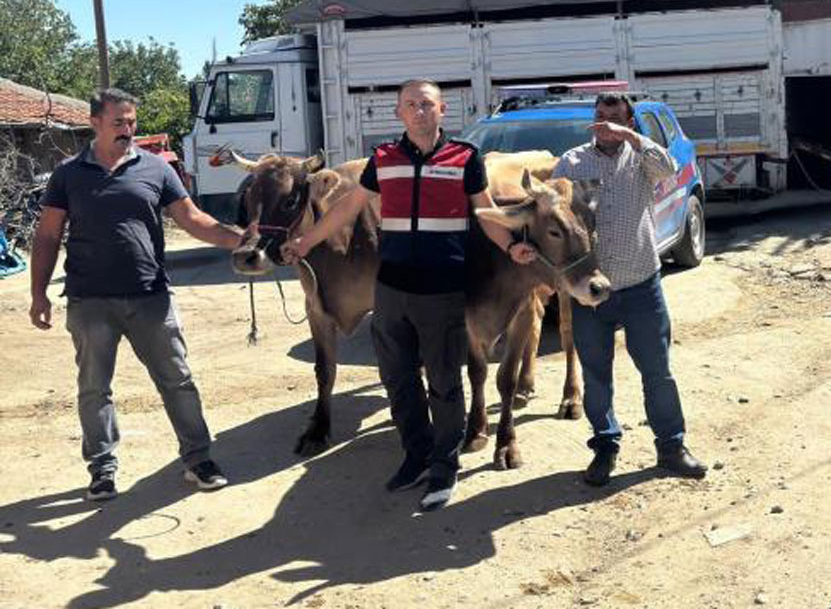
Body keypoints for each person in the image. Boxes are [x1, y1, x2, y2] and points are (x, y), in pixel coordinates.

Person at [281, 78, 535, 512]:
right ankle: (415, 454)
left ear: (442, 112)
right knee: (398, 380)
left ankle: (444, 465)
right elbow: (348, 207)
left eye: (427, 104)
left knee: (444, 383)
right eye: (411, 104)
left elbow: (485, 211)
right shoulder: (384, 158)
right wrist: (306, 243)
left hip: (442, 286)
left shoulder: (465, 157)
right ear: (399, 112)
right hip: (392, 288)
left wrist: (511, 246)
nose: (419, 111)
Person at [29, 88, 244, 501]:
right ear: (94, 123)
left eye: (132, 122)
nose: (128, 130)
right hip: (90, 301)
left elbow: (193, 219)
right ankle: (102, 469)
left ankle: (198, 460)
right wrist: (39, 294)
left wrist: (242, 242)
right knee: (94, 389)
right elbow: (47, 236)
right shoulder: (68, 174)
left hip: (151, 297)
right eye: (119, 123)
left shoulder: (156, 169)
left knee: (178, 380)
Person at [552, 93, 707, 487]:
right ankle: (605, 446)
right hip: (592, 293)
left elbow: (669, 168)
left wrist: (632, 138)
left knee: (658, 372)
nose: (605, 124)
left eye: (615, 118)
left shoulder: (642, 159)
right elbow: (549, 213)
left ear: (629, 123)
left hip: (641, 285)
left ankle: (671, 447)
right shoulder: (572, 163)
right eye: (600, 116)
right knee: (596, 376)